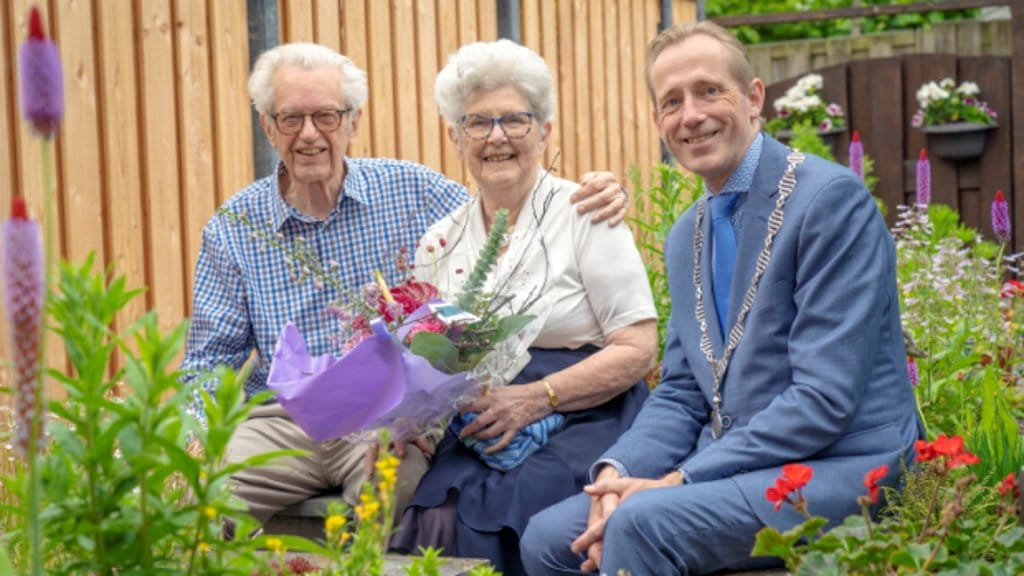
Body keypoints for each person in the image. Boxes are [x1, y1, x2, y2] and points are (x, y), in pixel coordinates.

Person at [520, 21, 924, 576]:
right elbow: (684, 391)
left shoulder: (830, 203)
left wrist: (678, 481)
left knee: (642, 523)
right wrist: (616, 474)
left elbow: (824, 399)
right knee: (547, 539)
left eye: (710, 90)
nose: (691, 115)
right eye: (671, 102)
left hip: (843, 466)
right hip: (740, 471)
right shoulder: (686, 234)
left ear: (754, 98)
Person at [181, 42, 629, 530]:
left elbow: (508, 215)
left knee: (401, 494)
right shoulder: (235, 228)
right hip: (282, 427)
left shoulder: (413, 191)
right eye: (290, 118)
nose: (309, 134)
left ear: (353, 122)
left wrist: (599, 192)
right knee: (194, 503)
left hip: (388, 425)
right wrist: (194, 439)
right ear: (268, 126)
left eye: (327, 116)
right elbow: (208, 363)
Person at [389, 40, 658, 576]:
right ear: (454, 136)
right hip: (487, 424)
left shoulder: (585, 212)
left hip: (588, 410)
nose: (497, 138)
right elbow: (430, 364)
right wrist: (412, 413)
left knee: (517, 517)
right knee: (436, 516)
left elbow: (639, 347)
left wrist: (538, 397)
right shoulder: (438, 244)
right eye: (478, 123)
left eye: (515, 120)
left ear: (544, 130)